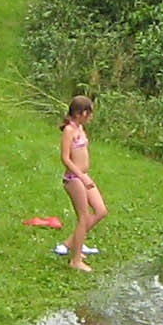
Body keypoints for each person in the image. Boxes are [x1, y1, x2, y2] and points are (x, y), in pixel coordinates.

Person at [58, 96, 105, 271]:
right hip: (74, 178)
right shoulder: (69, 130)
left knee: (101, 211)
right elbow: (65, 158)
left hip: (84, 176)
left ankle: (73, 243)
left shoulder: (80, 128)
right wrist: (81, 176)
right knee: (83, 217)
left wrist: (86, 175)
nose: (91, 117)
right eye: (89, 113)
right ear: (82, 113)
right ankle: (75, 260)